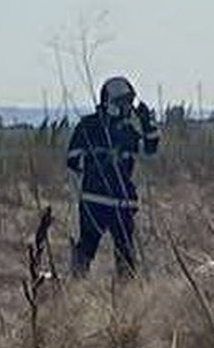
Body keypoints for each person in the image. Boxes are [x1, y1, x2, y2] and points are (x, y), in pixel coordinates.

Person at [65, 76, 160, 277]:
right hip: (94, 201)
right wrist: (100, 158)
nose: (126, 107)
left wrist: (148, 124)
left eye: (129, 102)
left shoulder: (127, 130)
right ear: (109, 102)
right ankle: (75, 294)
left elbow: (149, 149)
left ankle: (128, 299)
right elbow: (72, 159)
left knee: (126, 255)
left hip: (122, 202)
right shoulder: (88, 126)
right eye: (122, 102)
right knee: (85, 252)